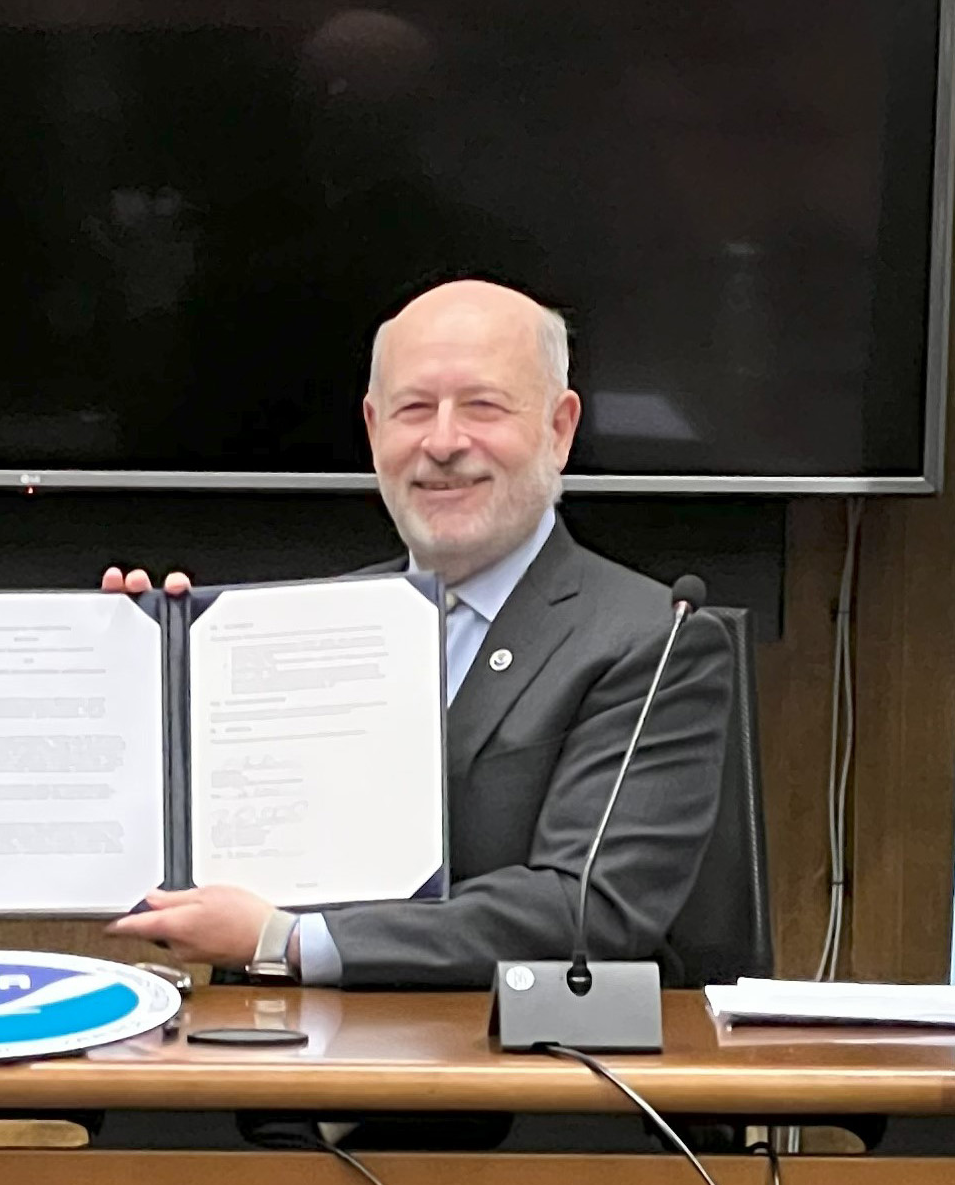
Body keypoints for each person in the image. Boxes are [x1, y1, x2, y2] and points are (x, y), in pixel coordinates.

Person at [102, 278, 733, 987]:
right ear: (373, 431)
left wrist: (288, 941)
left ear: (560, 429)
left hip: (514, 1077)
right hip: (268, 1063)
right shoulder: (291, 634)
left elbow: (588, 909)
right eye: (413, 410)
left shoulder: (653, 641)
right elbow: (211, 887)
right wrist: (137, 697)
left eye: (483, 407)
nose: (442, 442)